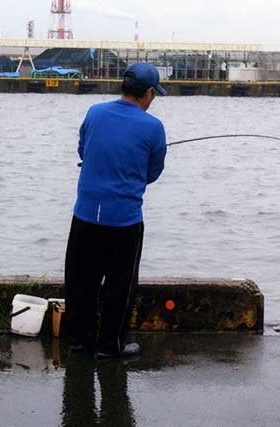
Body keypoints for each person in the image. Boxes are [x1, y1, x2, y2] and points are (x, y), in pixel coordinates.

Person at [64, 62, 167, 358]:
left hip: (85, 215)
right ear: (148, 93)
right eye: (154, 94)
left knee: (80, 282)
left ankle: (81, 343)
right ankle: (110, 346)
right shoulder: (153, 127)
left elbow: (83, 150)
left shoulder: (95, 113)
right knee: (120, 286)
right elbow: (153, 172)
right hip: (124, 221)